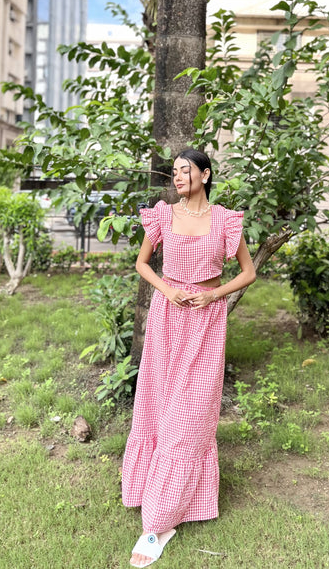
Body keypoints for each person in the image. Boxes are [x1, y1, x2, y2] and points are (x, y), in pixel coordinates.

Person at [122, 148, 256, 567]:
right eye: (175, 171)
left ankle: (161, 520)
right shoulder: (162, 215)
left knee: (191, 414)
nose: (178, 177)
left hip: (207, 322)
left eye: (185, 170)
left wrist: (213, 294)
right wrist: (167, 290)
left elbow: (248, 272)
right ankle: (156, 498)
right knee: (160, 408)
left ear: (205, 174)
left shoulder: (225, 221)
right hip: (167, 316)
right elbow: (143, 264)